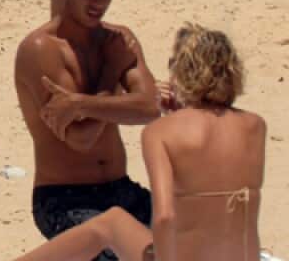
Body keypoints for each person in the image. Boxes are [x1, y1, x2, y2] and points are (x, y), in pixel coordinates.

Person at [14, 23, 264, 261]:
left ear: (183, 71)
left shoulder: (161, 133)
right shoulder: (255, 126)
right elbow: (213, 182)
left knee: (110, 223)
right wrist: (181, 114)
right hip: (240, 255)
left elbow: (165, 215)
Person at [14, 0, 162, 261]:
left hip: (123, 190)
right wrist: (110, 75)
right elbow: (81, 138)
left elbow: (149, 107)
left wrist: (81, 104)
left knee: (200, 239)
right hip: (64, 199)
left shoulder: (118, 38)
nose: (100, 2)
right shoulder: (41, 50)